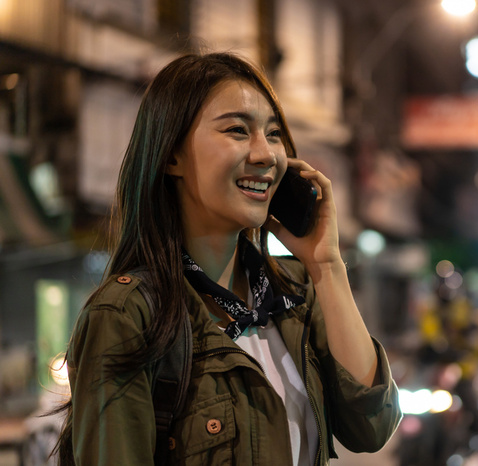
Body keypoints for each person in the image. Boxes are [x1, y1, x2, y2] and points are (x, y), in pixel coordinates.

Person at [57, 52, 402, 465]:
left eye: (273, 134)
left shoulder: (292, 296)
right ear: (172, 156)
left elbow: (371, 426)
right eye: (238, 130)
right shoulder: (127, 315)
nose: (265, 155)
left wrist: (326, 266)